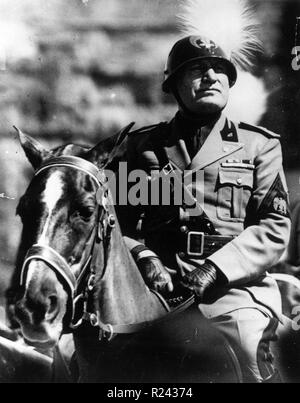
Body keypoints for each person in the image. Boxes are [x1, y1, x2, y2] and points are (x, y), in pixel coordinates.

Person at [110, 33, 291, 383]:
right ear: (174, 86)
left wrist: (214, 270)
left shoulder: (259, 146)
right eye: (196, 70)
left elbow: (272, 228)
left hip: (232, 292)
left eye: (218, 69)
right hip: (155, 291)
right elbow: (115, 222)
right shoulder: (142, 147)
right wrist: (145, 258)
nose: (210, 77)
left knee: (249, 357)